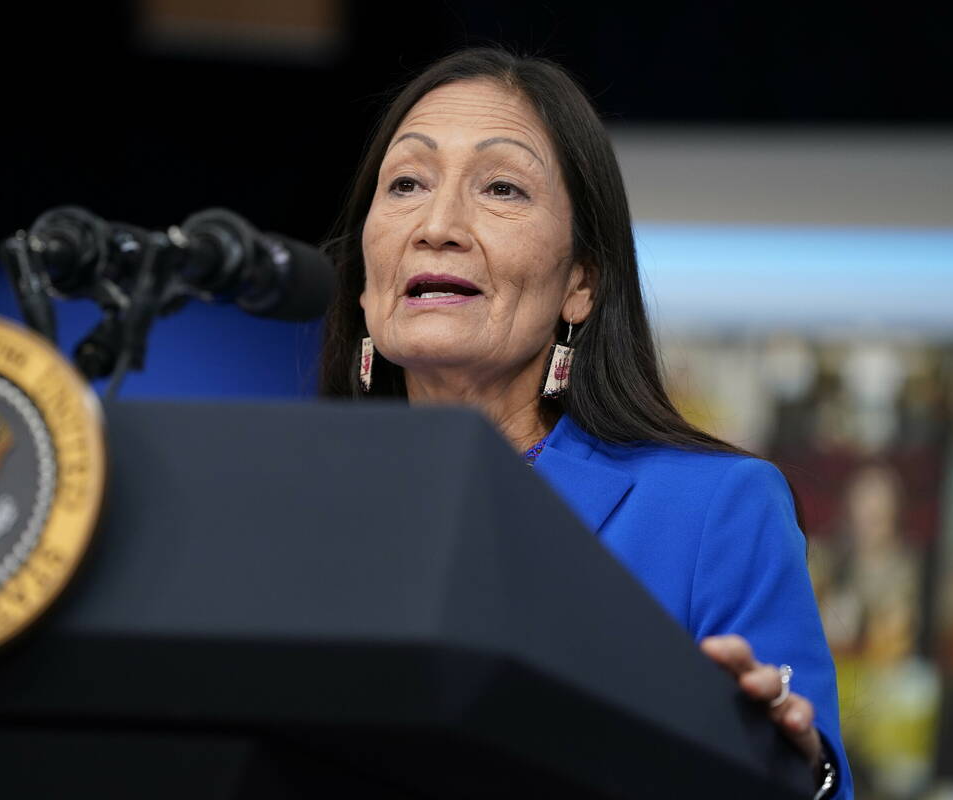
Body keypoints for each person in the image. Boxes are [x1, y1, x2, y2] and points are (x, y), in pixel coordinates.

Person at [319, 47, 849, 798]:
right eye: (406, 183)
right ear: (364, 286)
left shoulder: (713, 513)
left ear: (581, 284)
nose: (438, 226)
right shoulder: (288, 511)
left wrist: (785, 769)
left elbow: (814, 775)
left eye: (502, 187)